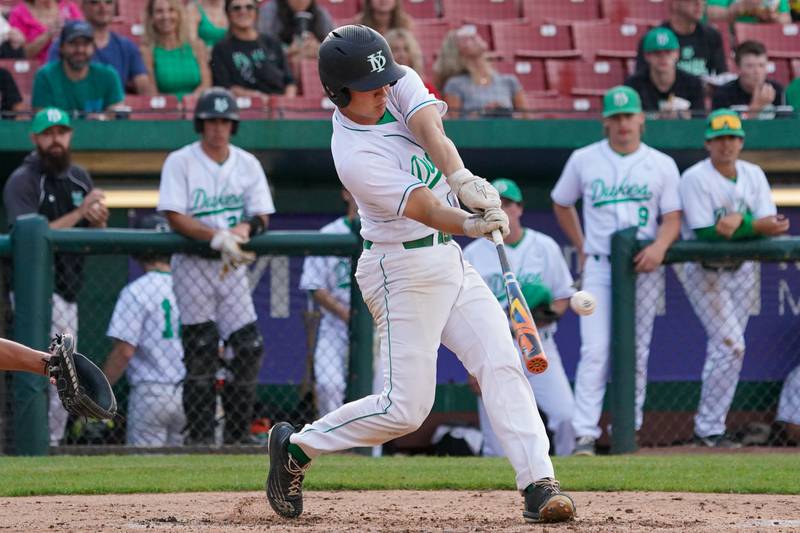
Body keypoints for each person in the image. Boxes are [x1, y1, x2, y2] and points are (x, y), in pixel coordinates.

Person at [266, 25, 576, 524]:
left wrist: (462, 179)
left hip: (447, 259)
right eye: (372, 89)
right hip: (399, 267)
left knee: (501, 361)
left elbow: (432, 130)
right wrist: (473, 221)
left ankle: (539, 483)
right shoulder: (353, 154)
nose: (385, 89)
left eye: (386, 80)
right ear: (338, 94)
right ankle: (297, 448)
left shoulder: (394, 78)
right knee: (406, 410)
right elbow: (426, 209)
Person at [551, 86, 682, 456]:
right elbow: (561, 203)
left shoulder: (661, 163)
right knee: (595, 350)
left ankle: (629, 428)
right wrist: (581, 244)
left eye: (629, 116)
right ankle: (585, 435)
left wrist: (659, 246)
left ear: (641, 118)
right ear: (605, 121)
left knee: (637, 352)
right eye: (616, 117)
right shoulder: (584, 158)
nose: (623, 123)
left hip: (643, 267)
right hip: (601, 268)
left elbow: (672, 217)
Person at [157, 87, 274, 445]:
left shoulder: (247, 162)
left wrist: (241, 230)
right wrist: (214, 236)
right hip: (194, 263)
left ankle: (237, 435)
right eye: (211, 121)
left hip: (231, 267)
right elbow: (175, 215)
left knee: (249, 347)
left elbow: (262, 215)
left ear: (233, 125)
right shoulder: (181, 160)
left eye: (225, 121)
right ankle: (202, 438)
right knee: (202, 350)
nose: (218, 128)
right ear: (200, 124)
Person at [678, 108, 789, 447]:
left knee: (727, 348)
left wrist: (739, 225)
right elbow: (706, 234)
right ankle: (708, 428)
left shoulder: (753, 174)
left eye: (732, 137)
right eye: (719, 138)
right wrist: (750, 224)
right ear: (708, 143)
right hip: (704, 270)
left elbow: (770, 229)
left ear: (741, 141)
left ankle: (710, 428)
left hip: (742, 270)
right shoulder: (694, 177)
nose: (726, 144)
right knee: (732, 345)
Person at [3, 106, 109, 446]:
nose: (55, 139)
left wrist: (97, 221)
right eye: (47, 133)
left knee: (63, 371)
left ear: (70, 135)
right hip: (31, 291)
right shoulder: (24, 179)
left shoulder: (79, 177)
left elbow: (92, 236)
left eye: (61, 132)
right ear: (34, 138)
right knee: (42, 371)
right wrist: (80, 212)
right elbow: (31, 236)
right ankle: (33, 442)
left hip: (68, 287)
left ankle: (53, 441)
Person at [463, 178, 576, 457]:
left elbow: (563, 296)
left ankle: (573, 474)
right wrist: (472, 366)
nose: (504, 210)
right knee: (496, 434)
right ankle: (489, 495)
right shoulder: (472, 254)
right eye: (496, 205)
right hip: (494, 346)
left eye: (509, 204)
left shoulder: (544, 246)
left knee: (566, 416)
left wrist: (544, 315)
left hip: (539, 342)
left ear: (520, 209)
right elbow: (462, 313)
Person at [103, 214, 186, 447]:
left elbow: (124, 352)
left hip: (151, 393)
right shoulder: (190, 287)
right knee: (189, 471)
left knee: (147, 471)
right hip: (191, 392)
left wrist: (99, 386)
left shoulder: (136, 291)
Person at [298, 189, 358, 418]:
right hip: (335, 324)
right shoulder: (330, 233)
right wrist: (344, 312)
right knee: (328, 385)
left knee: (380, 396)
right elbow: (313, 285)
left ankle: (372, 453)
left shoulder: (387, 232)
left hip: (378, 326)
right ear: (345, 193)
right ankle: (333, 447)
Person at [47, 0, 154, 95]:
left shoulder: (127, 47)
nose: (103, 7)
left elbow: (144, 90)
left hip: (114, 113)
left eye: (108, 2)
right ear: (83, 6)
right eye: (95, 2)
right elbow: (52, 85)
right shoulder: (63, 45)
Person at [31, 20, 124, 114]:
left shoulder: (108, 76)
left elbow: (116, 119)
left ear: (93, 48)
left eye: (86, 44)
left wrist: (101, 119)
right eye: (73, 43)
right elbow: (41, 120)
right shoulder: (45, 76)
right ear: (61, 47)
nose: (80, 49)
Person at [435, 25, 527, 118]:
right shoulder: (455, 85)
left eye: (473, 35)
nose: (474, 37)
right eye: (465, 39)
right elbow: (455, 124)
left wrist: (504, 113)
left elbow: (525, 117)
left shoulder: (509, 81)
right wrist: (483, 113)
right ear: (455, 51)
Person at [210, 0, 297, 99]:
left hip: (279, 105)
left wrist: (286, 102)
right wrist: (256, 98)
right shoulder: (221, 49)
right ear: (228, 14)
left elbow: (290, 82)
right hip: (245, 108)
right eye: (236, 8)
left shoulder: (272, 43)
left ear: (256, 12)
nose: (243, 11)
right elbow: (225, 87)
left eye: (249, 7)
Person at [634, 0, 727, 78]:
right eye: (692, 0)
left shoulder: (712, 36)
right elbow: (642, 82)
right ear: (675, 3)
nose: (699, 4)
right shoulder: (654, 39)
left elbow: (722, 76)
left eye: (702, 1)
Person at [625, 27, 705, 117]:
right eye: (657, 53)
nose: (663, 58)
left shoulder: (692, 84)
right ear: (647, 56)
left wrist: (686, 120)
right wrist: (658, 118)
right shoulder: (634, 85)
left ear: (677, 54)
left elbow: (700, 121)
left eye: (668, 52)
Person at [140, 0, 211, 100]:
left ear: (179, 14)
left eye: (171, 10)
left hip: (196, 106)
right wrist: (174, 105)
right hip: (167, 111)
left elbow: (206, 84)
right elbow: (152, 93)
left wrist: (189, 102)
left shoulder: (197, 46)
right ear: (151, 17)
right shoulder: (147, 51)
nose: (166, 16)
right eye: (159, 11)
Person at [257, 0, 333, 73]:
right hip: (278, 73)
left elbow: (336, 50)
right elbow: (261, 48)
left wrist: (319, 49)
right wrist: (287, 51)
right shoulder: (269, 11)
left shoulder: (321, 13)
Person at [711, 40, 785, 116]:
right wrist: (756, 107)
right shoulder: (723, 94)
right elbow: (721, 125)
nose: (757, 71)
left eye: (761, 65)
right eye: (750, 66)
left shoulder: (776, 90)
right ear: (738, 68)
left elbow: (787, 124)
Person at [7, 0, 82, 62]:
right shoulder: (18, 13)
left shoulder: (69, 7)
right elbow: (22, 54)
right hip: (36, 71)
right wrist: (48, 35)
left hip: (70, 66)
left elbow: (83, 38)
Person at [385, 28, 439, 98]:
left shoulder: (426, 88)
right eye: (395, 49)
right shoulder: (380, 91)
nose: (402, 54)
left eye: (406, 49)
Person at [707, 0, 791, 23]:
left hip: (764, 42)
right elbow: (704, 14)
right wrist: (733, 11)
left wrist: (772, 18)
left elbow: (786, 19)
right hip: (728, 40)